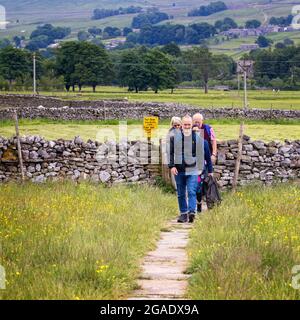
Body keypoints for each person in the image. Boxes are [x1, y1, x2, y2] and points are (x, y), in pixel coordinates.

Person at [168, 115, 213, 223]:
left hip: (192, 170)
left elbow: (201, 154)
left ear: (192, 125)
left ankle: (192, 212)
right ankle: (183, 214)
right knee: (181, 193)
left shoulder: (197, 138)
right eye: (185, 124)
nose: (187, 126)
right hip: (179, 170)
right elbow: (171, 153)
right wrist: (172, 166)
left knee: (192, 191)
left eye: (189, 124)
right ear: (181, 125)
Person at [192, 113, 217, 213]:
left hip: (205, 162)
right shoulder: (189, 131)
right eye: (195, 121)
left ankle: (205, 202)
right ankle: (197, 203)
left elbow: (213, 141)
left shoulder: (208, 129)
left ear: (202, 121)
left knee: (204, 183)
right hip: (191, 164)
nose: (197, 123)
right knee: (195, 185)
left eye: (199, 121)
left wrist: (214, 154)